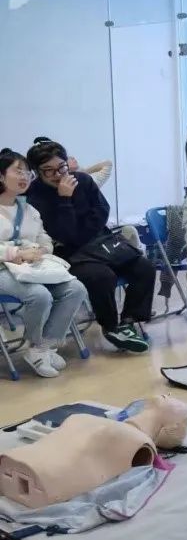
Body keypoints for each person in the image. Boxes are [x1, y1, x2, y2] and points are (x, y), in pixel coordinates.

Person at [26, 137, 156, 354]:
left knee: (144, 268)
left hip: (101, 243)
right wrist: (64, 200)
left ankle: (129, 321)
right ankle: (111, 326)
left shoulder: (83, 181)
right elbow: (63, 234)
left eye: (62, 167)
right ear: (37, 172)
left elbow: (102, 211)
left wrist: (81, 233)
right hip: (70, 253)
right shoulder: (35, 195)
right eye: (49, 171)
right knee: (102, 276)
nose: (58, 175)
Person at [0, 148, 87, 377]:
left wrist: (42, 249)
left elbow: (43, 236)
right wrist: (15, 252)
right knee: (39, 295)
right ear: (1, 176)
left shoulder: (28, 209)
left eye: (27, 172)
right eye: (18, 171)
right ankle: (36, 345)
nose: (24, 177)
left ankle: (42, 348)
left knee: (76, 288)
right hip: (2, 269)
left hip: (29, 268)